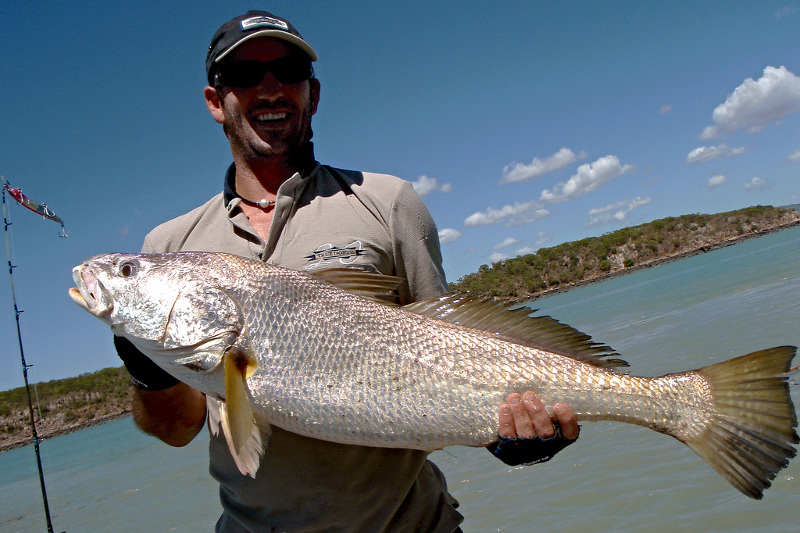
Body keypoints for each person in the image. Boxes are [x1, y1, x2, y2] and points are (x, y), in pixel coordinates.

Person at [114, 10, 579, 532]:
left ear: (313, 93)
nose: (269, 89)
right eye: (244, 75)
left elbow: (453, 347)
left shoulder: (388, 202)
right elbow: (178, 429)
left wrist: (510, 437)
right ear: (214, 102)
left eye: (287, 71)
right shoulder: (170, 248)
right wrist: (146, 368)